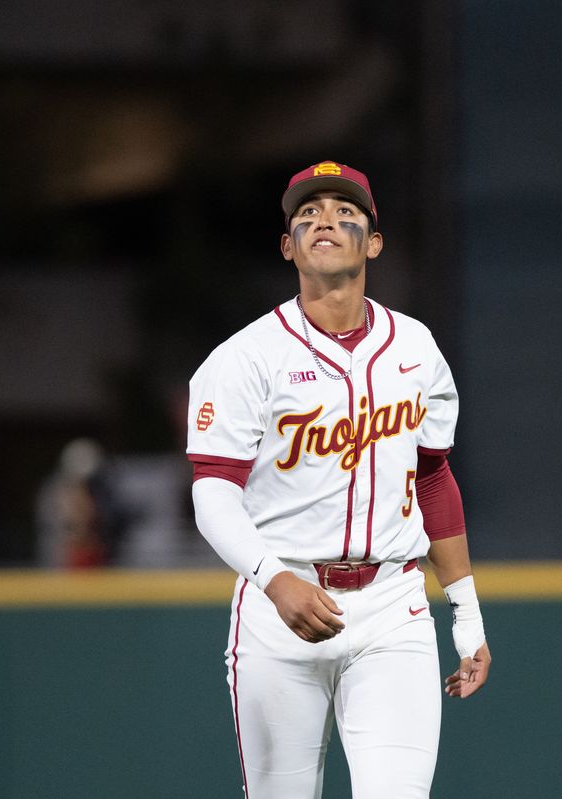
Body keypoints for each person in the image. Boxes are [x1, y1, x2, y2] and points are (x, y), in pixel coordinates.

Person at [186, 160, 492, 798]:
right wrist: (274, 581)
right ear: (287, 246)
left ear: (374, 243)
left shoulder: (415, 346)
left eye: (345, 212)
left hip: (391, 605)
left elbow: (433, 480)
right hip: (280, 604)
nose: (325, 220)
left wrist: (466, 615)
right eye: (308, 214)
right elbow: (213, 498)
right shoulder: (244, 358)